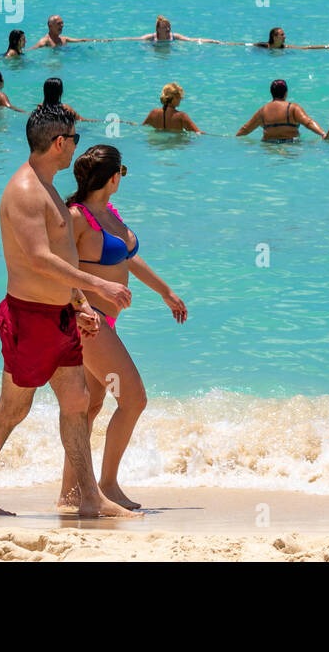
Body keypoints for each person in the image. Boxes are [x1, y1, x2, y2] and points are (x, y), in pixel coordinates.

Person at [0, 105, 137, 518]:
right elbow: (38, 258)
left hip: (58, 316)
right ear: (60, 142)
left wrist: (78, 304)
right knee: (13, 408)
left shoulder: (49, 187)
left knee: (76, 400)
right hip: (29, 318)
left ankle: (89, 497)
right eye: (73, 139)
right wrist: (97, 285)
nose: (76, 145)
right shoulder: (25, 191)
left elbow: (60, 255)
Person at [60, 144, 188, 510]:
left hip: (106, 323)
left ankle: (71, 494)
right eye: (122, 173)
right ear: (113, 177)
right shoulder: (77, 217)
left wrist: (166, 292)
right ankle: (108, 485)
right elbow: (57, 265)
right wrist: (80, 305)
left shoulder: (110, 212)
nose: (122, 178)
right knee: (133, 399)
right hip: (89, 323)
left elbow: (130, 260)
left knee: (90, 406)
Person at [236, 79, 325, 141]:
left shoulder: (262, 111)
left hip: (269, 147)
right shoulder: (293, 108)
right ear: (286, 93)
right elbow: (308, 122)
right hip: (291, 145)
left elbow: (246, 129)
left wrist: (235, 136)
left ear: (271, 93)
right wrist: (322, 133)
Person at [111, 16, 216, 44]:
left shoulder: (174, 37)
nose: (168, 29)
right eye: (164, 27)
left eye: (168, 26)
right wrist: (112, 40)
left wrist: (213, 41)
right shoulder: (151, 38)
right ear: (157, 29)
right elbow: (132, 39)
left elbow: (192, 40)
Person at [249, 27, 329, 50]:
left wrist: (327, 46)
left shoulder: (285, 47)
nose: (285, 36)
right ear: (274, 37)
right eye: (282, 35)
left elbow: (306, 48)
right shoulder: (262, 46)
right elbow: (245, 44)